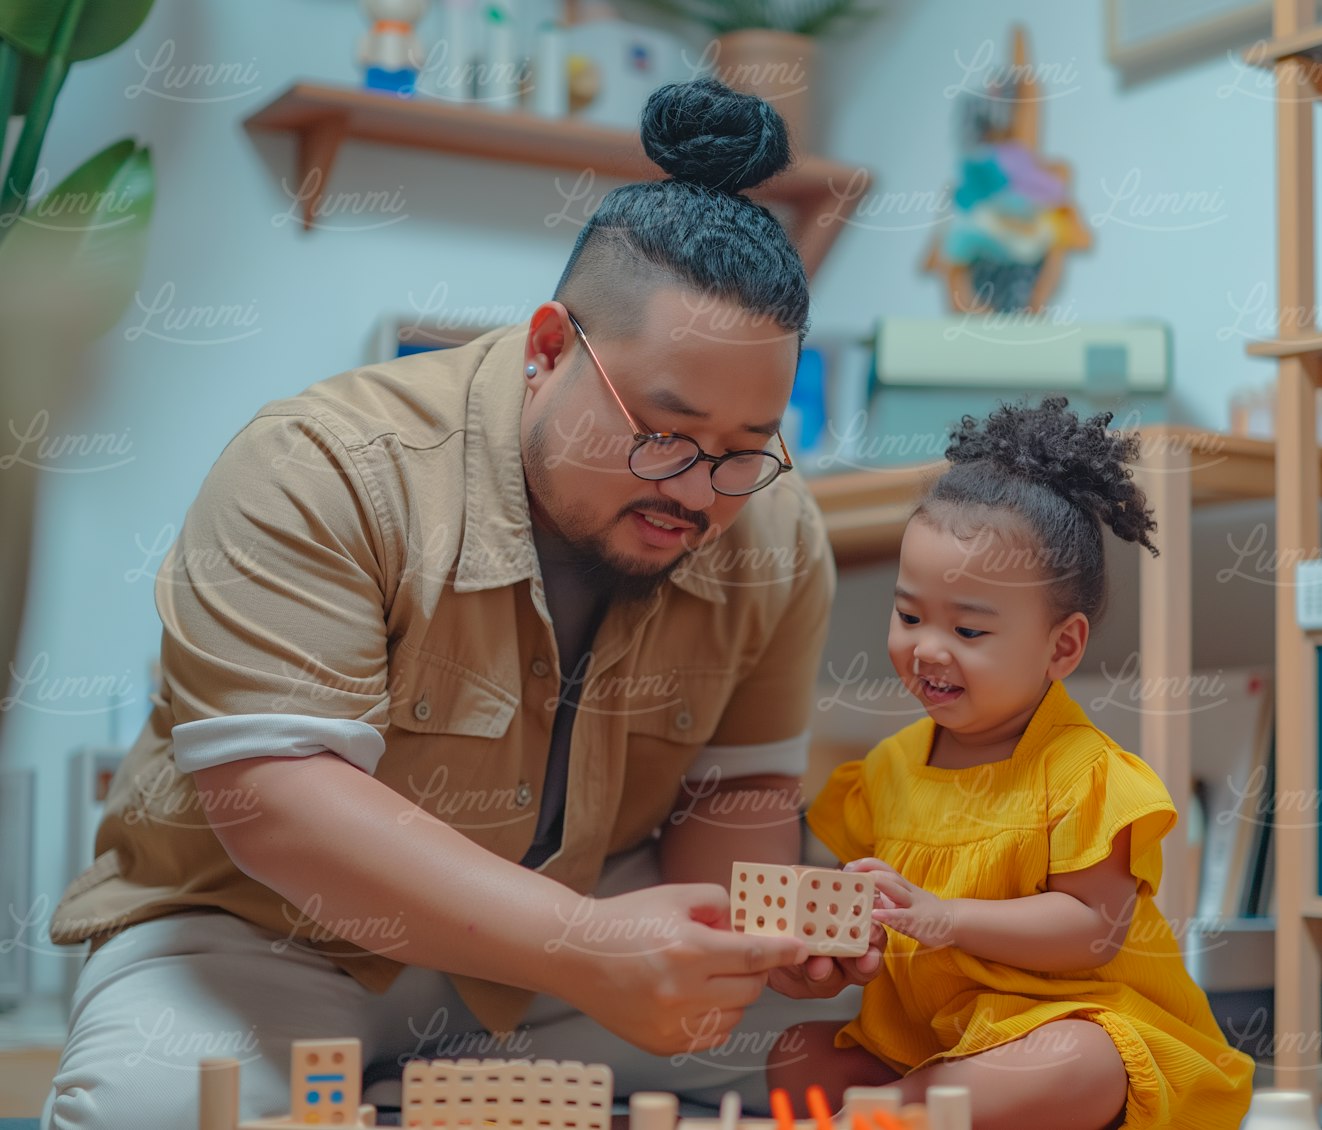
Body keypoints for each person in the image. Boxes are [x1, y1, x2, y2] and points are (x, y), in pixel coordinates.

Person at [42, 78, 881, 1130]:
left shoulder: (775, 527)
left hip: (579, 944)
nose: (698, 489)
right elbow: (279, 804)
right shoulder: (325, 464)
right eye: (664, 433)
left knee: (894, 1040)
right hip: (272, 929)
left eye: (744, 450)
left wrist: (752, 937)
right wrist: (587, 944)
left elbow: (737, 793)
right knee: (158, 1110)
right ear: (546, 350)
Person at [767, 399, 1255, 1129]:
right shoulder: (888, 770)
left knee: (1076, 1059)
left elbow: (1093, 927)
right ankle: (899, 1111)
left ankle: (893, 1117)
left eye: (967, 629)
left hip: (1064, 1023)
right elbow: (877, 911)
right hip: (935, 1043)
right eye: (908, 616)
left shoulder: (1085, 773)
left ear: (1061, 647)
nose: (928, 648)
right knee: (797, 1054)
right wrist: (835, 937)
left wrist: (944, 918)